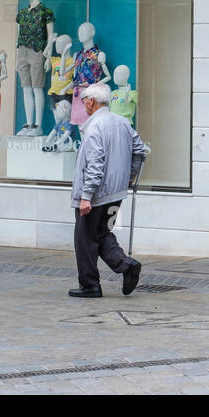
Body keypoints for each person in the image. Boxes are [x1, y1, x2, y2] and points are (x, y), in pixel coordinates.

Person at [67, 82, 147, 298]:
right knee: (102, 233)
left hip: (96, 195)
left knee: (84, 239)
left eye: (84, 100)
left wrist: (86, 196)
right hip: (116, 193)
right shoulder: (122, 122)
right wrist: (130, 176)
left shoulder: (94, 126)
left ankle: (90, 285)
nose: (83, 104)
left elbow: (95, 163)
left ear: (91, 101)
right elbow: (140, 149)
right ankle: (127, 266)